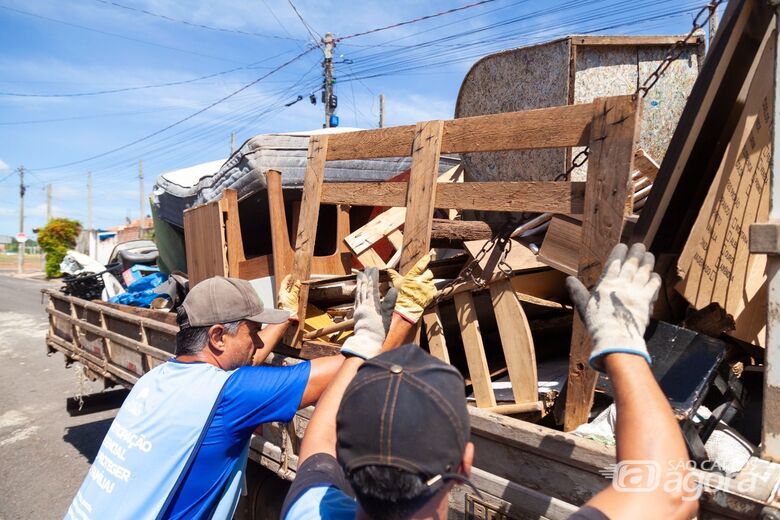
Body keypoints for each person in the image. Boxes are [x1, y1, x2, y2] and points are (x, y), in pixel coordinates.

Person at [282, 243, 700, 520]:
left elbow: (317, 447)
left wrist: (364, 344)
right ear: (465, 463)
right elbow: (673, 492)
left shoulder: (308, 510)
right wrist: (622, 343)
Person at [65, 274, 345, 520]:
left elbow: (241, 360)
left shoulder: (157, 379)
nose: (259, 342)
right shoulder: (230, 396)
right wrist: (382, 330)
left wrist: (282, 322)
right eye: (253, 332)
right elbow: (341, 369)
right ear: (218, 336)